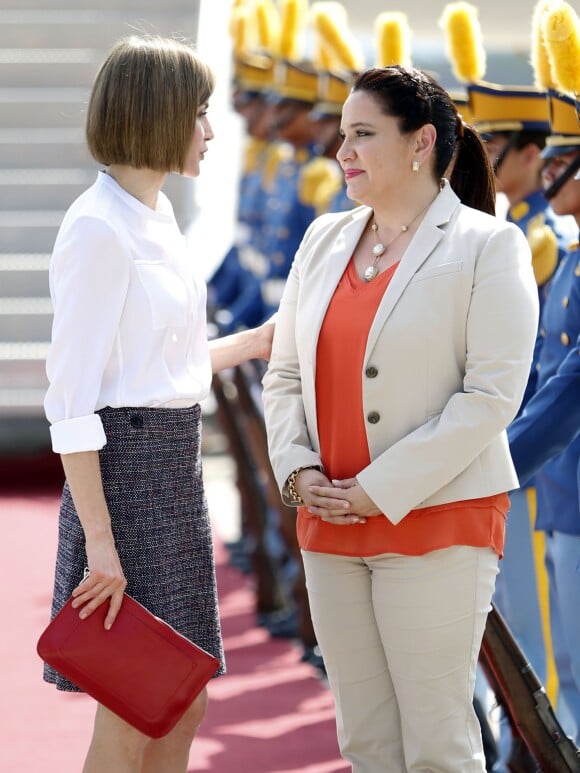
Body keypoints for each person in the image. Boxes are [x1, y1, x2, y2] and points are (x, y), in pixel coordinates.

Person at [261, 65, 539, 772]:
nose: (342, 151)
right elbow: (285, 374)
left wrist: (377, 488)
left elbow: (491, 397)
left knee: (438, 745)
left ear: (420, 143)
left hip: (436, 522)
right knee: (367, 743)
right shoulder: (323, 240)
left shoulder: (487, 244)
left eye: (363, 135)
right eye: (343, 135)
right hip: (328, 524)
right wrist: (297, 471)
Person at [42, 35, 273, 773]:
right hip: (125, 480)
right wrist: (101, 542)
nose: (210, 130)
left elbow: (160, 368)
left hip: (171, 470)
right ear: (158, 113)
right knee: (135, 703)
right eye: (200, 112)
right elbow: (73, 400)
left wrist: (261, 339)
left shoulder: (156, 213)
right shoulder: (97, 226)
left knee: (181, 695)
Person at [507, 86, 580, 747]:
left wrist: (498, 460)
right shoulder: (569, 258)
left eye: (567, 160)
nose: (551, 172)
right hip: (559, 491)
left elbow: (568, 386)